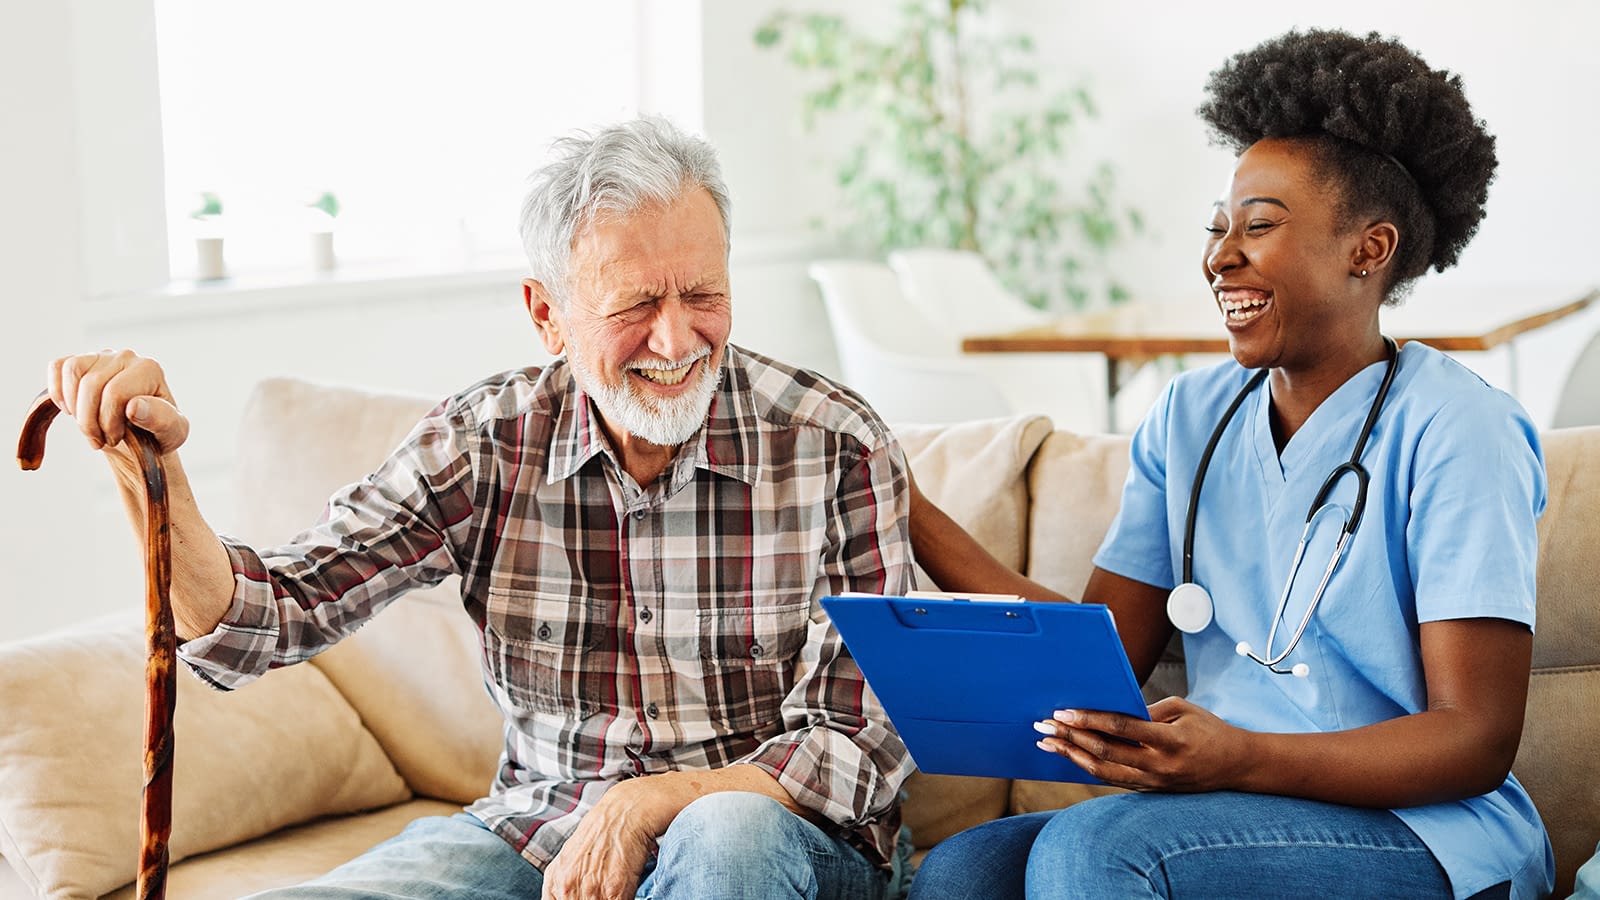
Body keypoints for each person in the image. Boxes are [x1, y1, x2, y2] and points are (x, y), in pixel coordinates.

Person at [46, 116, 916, 900]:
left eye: (702, 295)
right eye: (637, 305)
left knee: (724, 836)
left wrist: (652, 804)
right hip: (539, 834)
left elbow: (862, 738)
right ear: (548, 315)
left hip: (783, 841)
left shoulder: (836, 443)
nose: (677, 338)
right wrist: (151, 475)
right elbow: (264, 619)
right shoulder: (485, 442)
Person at [905, 29, 1552, 900]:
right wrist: (907, 505)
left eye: (1259, 226)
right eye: (1217, 230)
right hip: (1226, 806)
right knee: (963, 871)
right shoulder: (1189, 417)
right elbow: (1099, 658)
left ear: (1371, 249)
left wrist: (1241, 753)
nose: (1221, 257)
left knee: (1096, 854)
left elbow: (1474, 740)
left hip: (1426, 832)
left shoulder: (1458, 428)